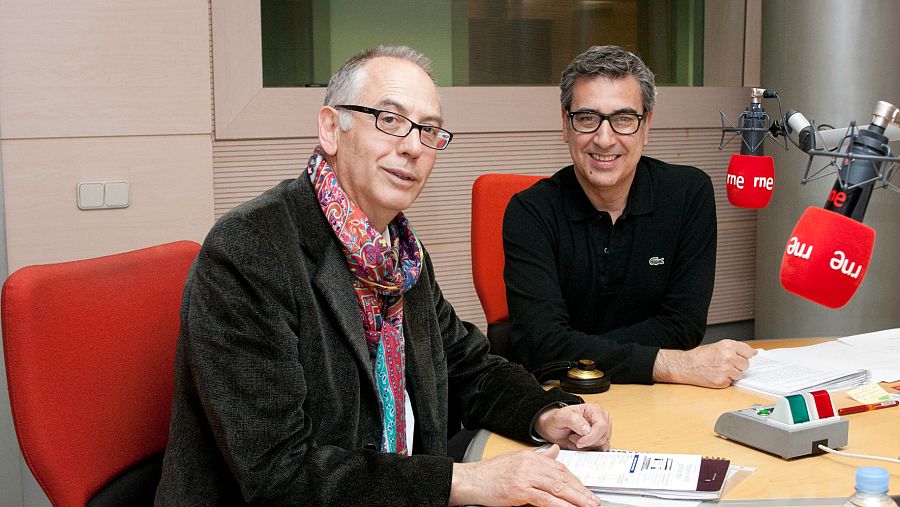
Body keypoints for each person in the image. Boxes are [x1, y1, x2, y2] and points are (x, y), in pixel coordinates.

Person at [156, 46, 612, 507]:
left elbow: (467, 366)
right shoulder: (250, 250)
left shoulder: (398, 253)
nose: (413, 146)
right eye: (389, 120)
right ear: (332, 129)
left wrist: (546, 414)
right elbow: (280, 474)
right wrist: (470, 482)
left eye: (429, 130)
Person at [503, 45, 756, 389]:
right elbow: (540, 346)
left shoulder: (688, 194)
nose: (604, 139)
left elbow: (684, 326)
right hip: (564, 398)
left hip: (658, 400)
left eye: (623, 119)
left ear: (646, 125)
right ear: (566, 125)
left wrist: (576, 346)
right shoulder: (530, 211)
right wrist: (669, 363)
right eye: (587, 118)